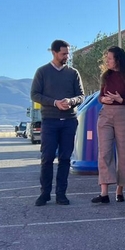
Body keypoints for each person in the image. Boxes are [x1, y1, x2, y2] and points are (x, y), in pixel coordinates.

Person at [31, 40, 85, 206]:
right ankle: (45, 194)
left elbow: (81, 96)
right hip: (50, 121)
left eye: (68, 53)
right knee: (47, 158)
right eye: (63, 54)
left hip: (69, 121)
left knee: (65, 158)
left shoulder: (73, 73)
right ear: (54, 53)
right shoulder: (42, 72)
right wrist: (55, 103)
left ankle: (61, 194)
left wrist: (71, 101)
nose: (66, 56)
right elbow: (35, 94)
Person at [91, 46, 125, 204]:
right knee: (104, 152)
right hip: (105, 114)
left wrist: (121, 100)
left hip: (123, 114)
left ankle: (120, 190)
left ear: (118, 60)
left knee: (124, 153)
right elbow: (100, 96)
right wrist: (103, 99)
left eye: (110, 58)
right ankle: (104, 193)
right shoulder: (106, 76)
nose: (107, 61)